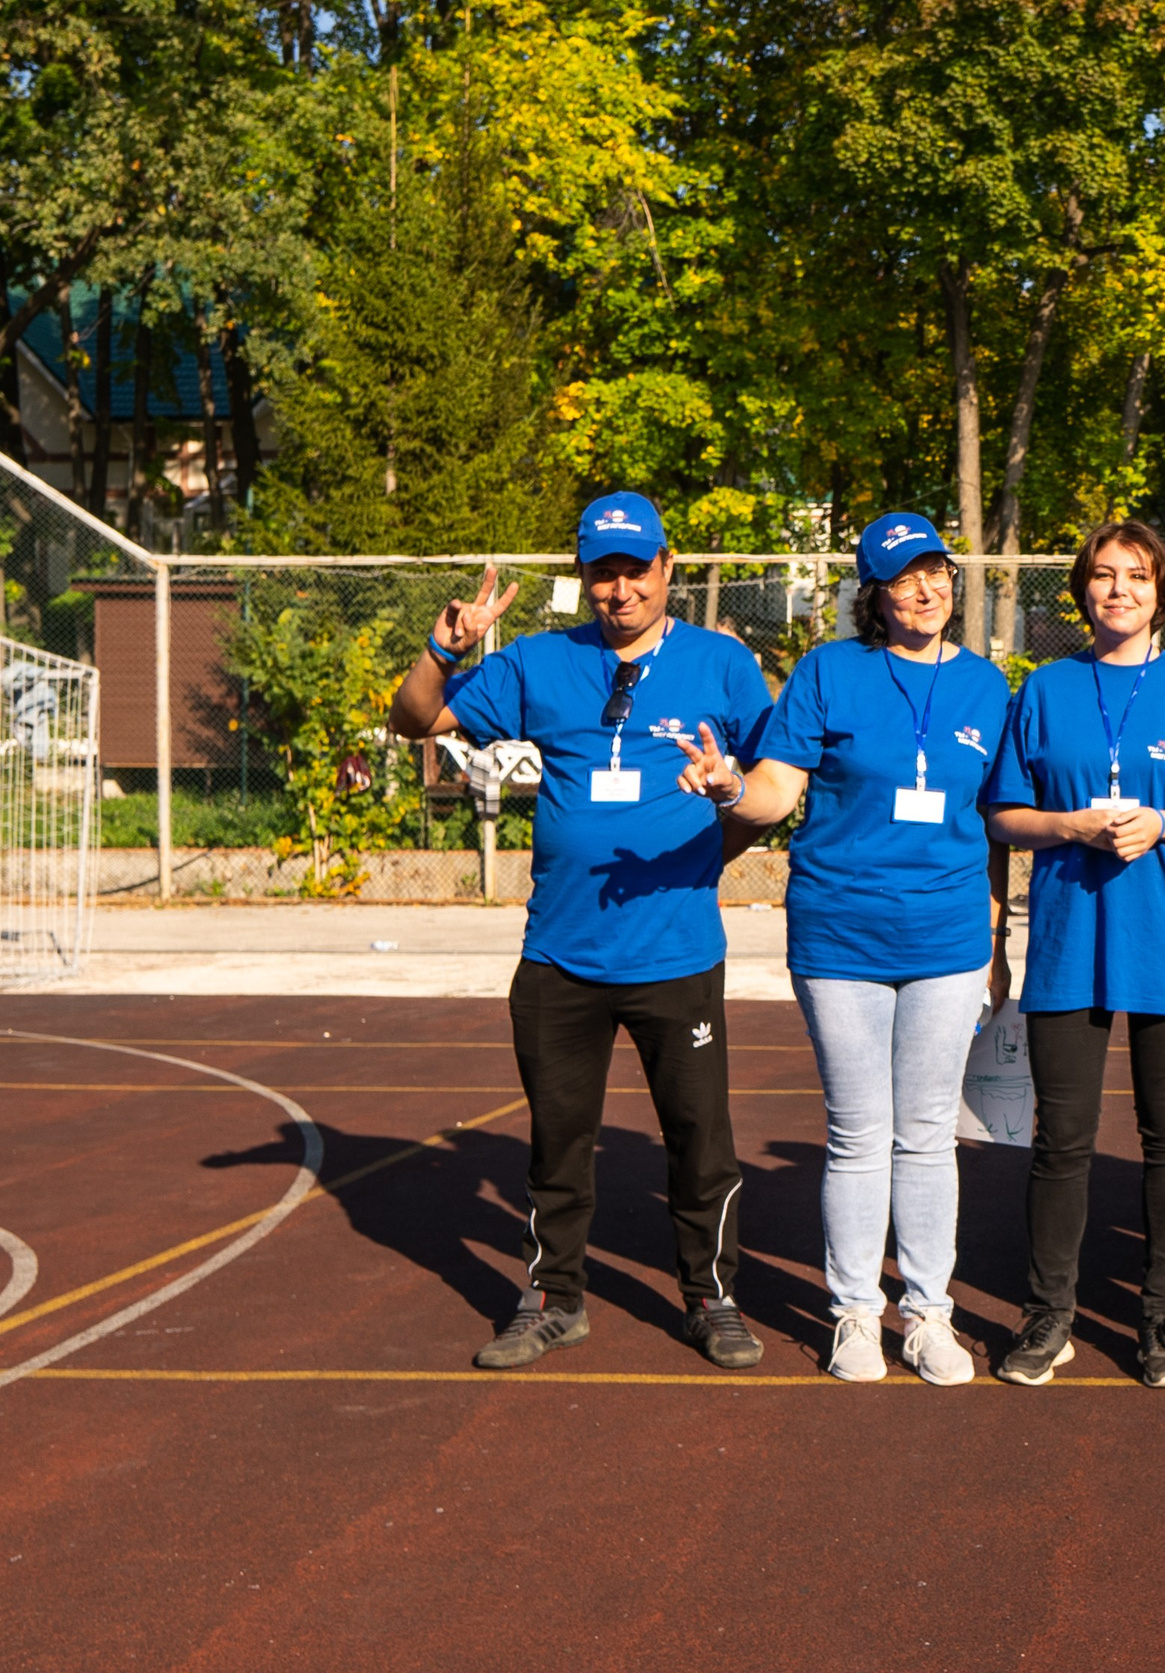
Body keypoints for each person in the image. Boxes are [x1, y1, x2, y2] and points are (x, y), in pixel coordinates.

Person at [387, 492, 775, 1371]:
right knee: (559, 1142)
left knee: (700, 1140)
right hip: (561, 954)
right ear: (585, 579)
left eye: (637, 569)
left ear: (667, 569)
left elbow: (775, 782)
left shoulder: (723, 664)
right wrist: (444, 648)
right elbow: (416, 720)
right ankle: (555, 1298)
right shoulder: (539, 662)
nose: (621, 588)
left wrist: (723, 824)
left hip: (675, 953)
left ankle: (711, 1297)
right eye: (604, 572)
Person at [672, 513, 1011, 1387]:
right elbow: (776, 790)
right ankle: (855, 1315)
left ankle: (929, 1314)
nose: (924, 590)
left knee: (929, 1134)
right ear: (874, 595)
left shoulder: (987, 685)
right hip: (840, 935)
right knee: (860, 1132)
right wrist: (729, 789)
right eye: (902, 580)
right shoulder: (829, 672)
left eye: (934, 571)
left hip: (947, 937)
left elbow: (997, 822)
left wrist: (999, 934)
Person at [983, 520, 1165, 1390]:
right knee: (1061, 1140)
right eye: (1103, 575)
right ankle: (1049, 1314)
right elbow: (1004, 814)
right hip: (1066, 943)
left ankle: (1163, 1320)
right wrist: (1071, 825)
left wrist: (1162, 825)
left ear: (1162, 590)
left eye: (1136, 575)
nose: (1119, 590)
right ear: (1083, 590)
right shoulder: (1048, 687)